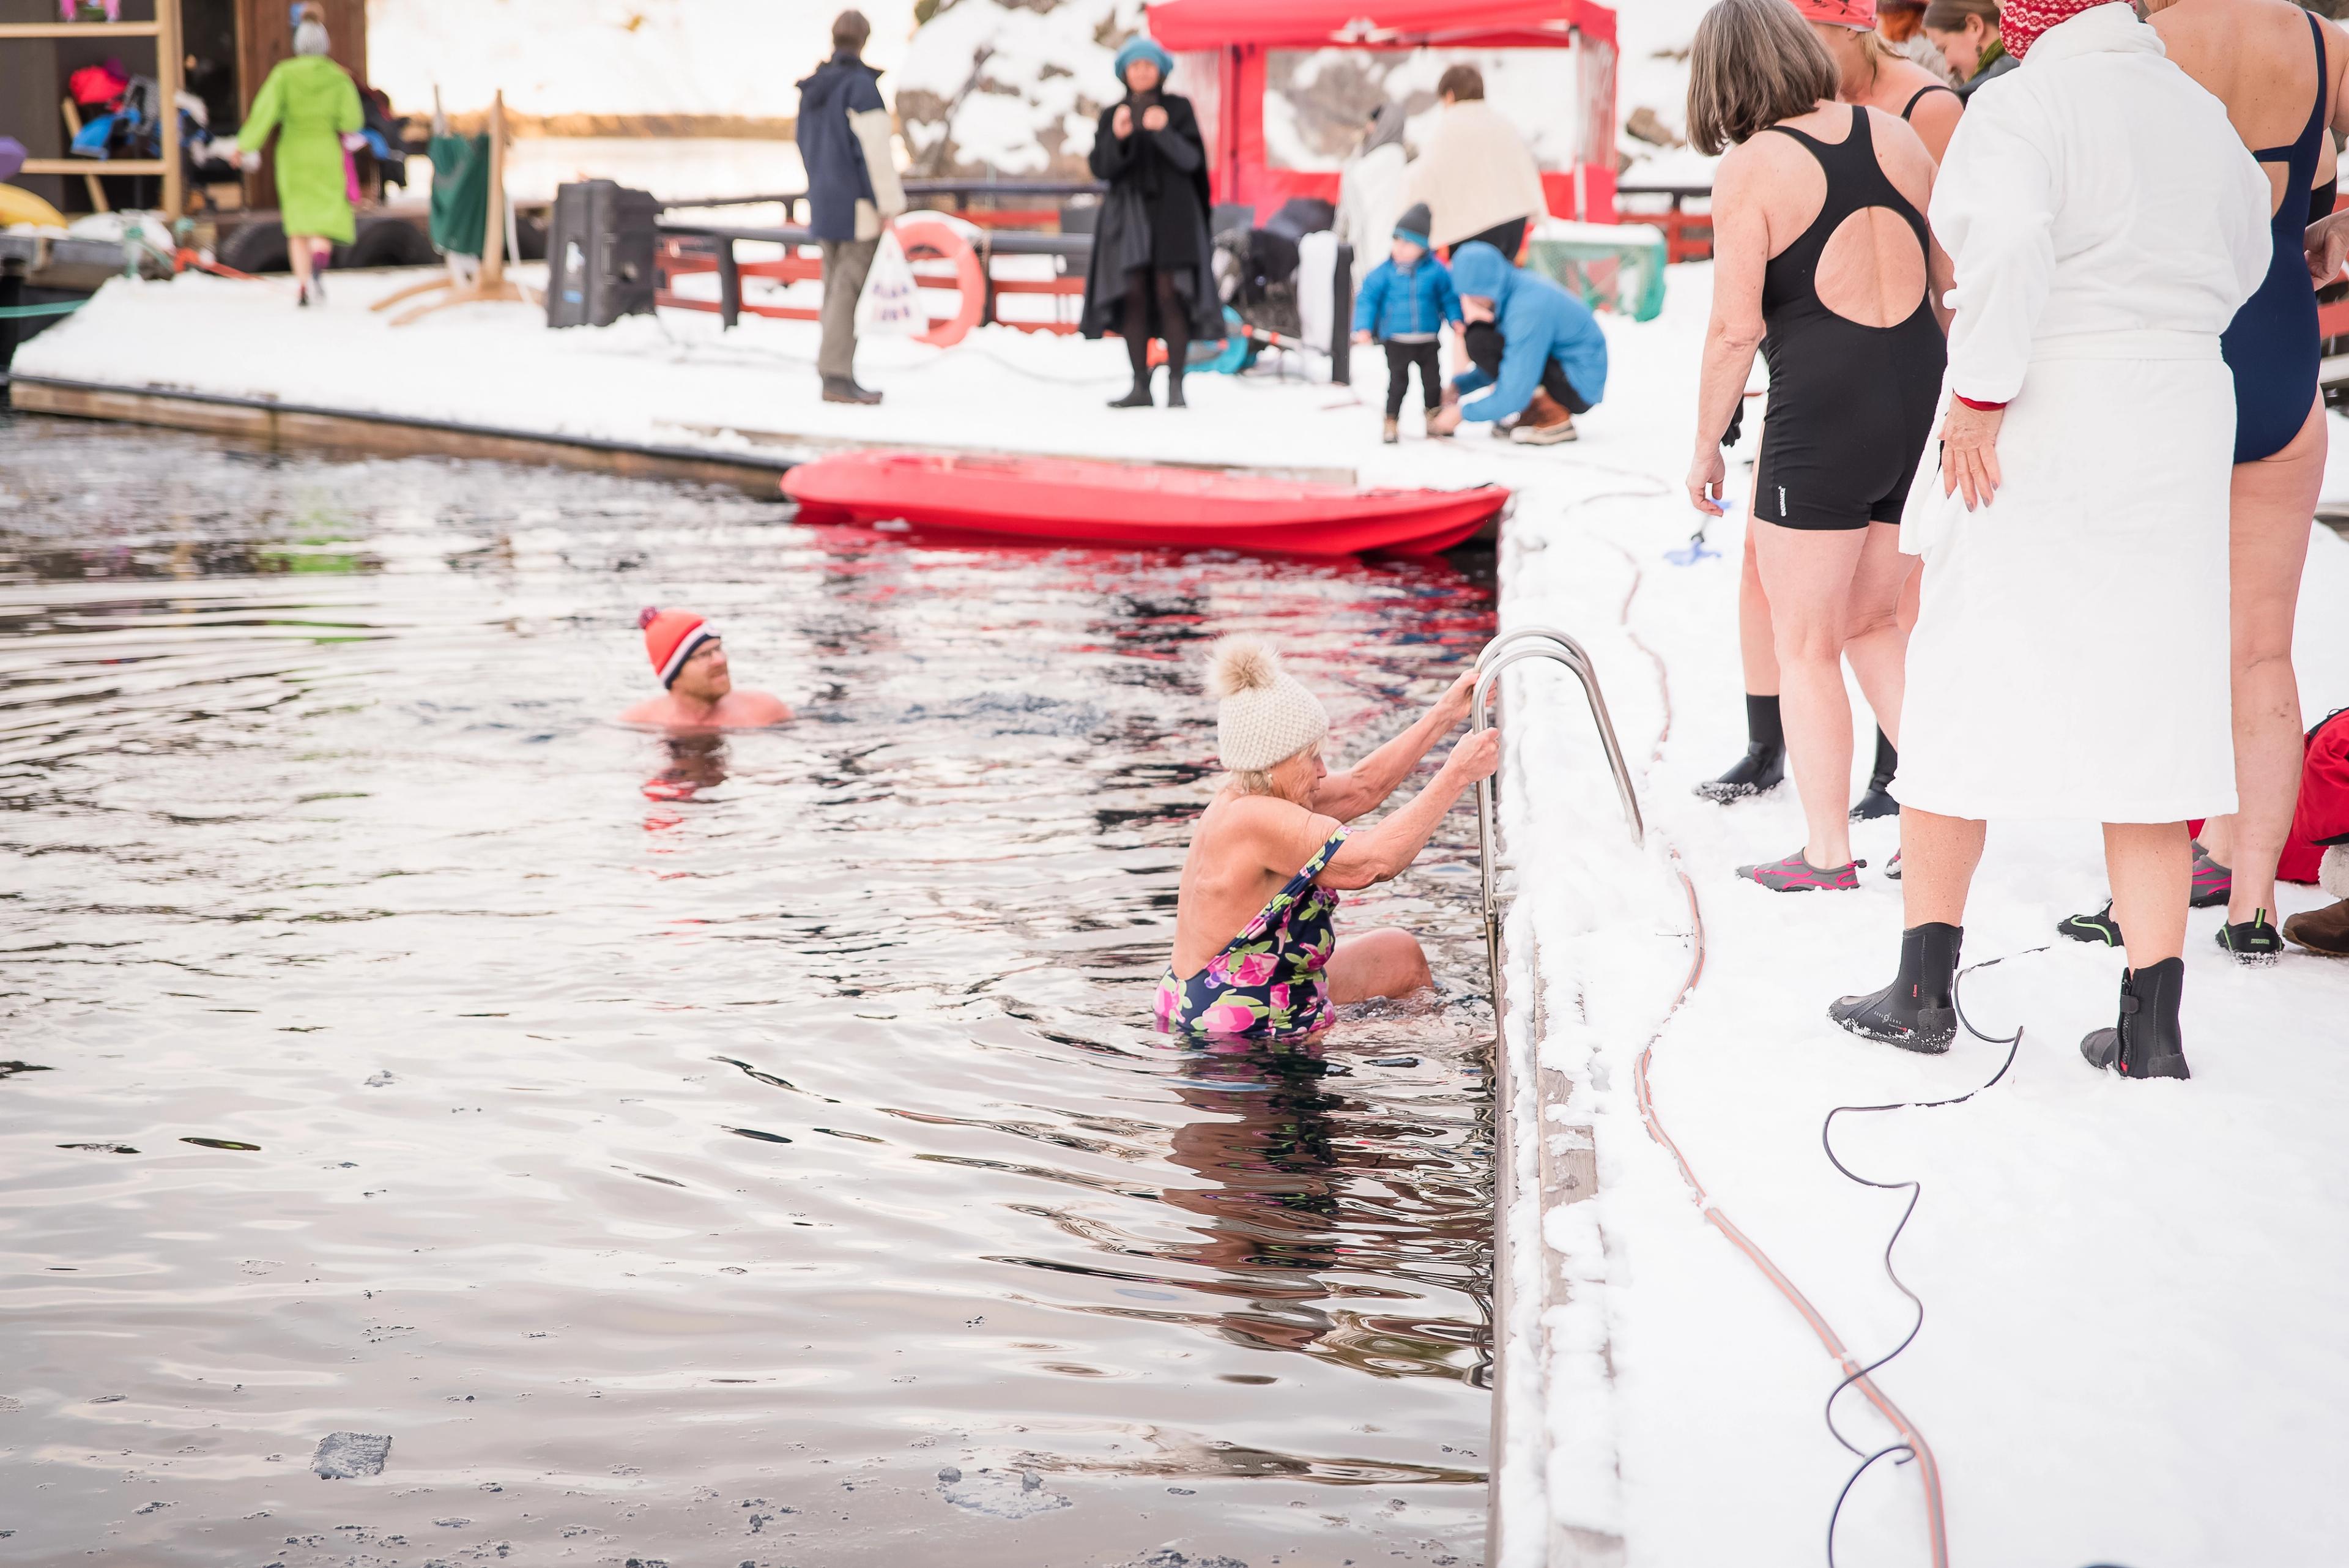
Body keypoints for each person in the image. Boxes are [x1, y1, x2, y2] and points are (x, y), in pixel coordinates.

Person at [1828, 0, 2269, 1078]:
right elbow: (2253, 251)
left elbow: (2013, 243)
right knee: (2153, 706)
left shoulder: (2026, 104)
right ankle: (2152, 1027)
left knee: (1961, 677)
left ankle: (1924, 985)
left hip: (2050, 400)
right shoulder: (2199, 111)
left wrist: (1978, 394)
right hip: (2175, 408)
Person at [1683, 0, 1948, 890]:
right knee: (1875, 622)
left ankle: (1827, 851)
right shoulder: (1896, 136)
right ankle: (1944, 812)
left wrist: (1707, 442)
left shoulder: (1752, 167)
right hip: (1916, 395)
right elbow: (1950, 284)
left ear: (1723, 78)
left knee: (1805, 642)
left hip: (1822, 415)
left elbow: (1733, 329)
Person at [2139, 0, 2343, 961]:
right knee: (2261, 650)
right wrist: (2335, 220)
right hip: (2281, 348)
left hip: (2178, 351)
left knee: (2151, 632)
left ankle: (2137, 891)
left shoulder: (2157, 43)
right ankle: (2251, 900)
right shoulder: (2319, 41)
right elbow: (2312, 199)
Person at [1155, 638, 1499, 1038]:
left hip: (1228, 993)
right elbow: (1374, 862)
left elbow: (1362, 787)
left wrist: (1446, 712)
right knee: (1438, 1035)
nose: (1322, 770)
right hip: (1230, 1028)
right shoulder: (1256, 820)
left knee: (1398, 955)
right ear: (1273, 764)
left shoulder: (1254, 792)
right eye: (1311, 756)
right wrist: (1458, 772)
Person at [1081, 37, 1222, 410]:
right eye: (1135, 66)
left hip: (1173, 217)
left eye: (1148, 65)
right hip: (1127, 220)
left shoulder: (1178, 108)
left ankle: (1177, 385)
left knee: (1171, 294)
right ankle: (1140, 385)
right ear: (1124, 72)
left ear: (1161, 69)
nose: (1142, 72)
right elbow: (1102, 168)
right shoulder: (1114, 114)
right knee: (1133, 297)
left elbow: (1193, 162)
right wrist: (1119, 137)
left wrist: (1165, 133)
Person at [796, 10, 906, 406]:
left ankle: (832, 370)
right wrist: (890, 206)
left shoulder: (813, 88)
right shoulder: (861, 88)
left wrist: (820, 187)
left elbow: (804, 145)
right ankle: (837, 377)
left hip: (824, 202)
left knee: (833, 288)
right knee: (847, 290)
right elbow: (877, 154)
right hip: (858, 207)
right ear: (864, 40)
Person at [236, 4, 362, 309]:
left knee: (299, 225)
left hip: (293, 153)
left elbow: (263, 114)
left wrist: (245, 146)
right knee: (322, 219)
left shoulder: (283, 75)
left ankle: (303, 285)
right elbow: (352, 121)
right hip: (325, 152)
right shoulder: (338, 77)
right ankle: (320, 264)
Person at [1426, 240, 1607, 445]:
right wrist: (1461, 387)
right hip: (1565, 368)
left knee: (1481, 341)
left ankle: (1554, 418)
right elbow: (1510, 356)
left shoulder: (1526, 310)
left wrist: (1461, 414)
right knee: (1481, 339)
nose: (1468, 300)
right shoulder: (1514, 288)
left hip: (1578, 384)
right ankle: (1537, 410)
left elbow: (1515, 391)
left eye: (1469, 293)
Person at [1403, 64, 1548, 265]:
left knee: (1472, 288)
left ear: (1450, 95)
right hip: (1514, 224)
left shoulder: (1450, 126)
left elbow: (1425, 176)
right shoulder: (1504, 124)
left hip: (1470, 230)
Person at [1792, 0, 1964, 160]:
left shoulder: (1931, 105)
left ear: (1849, 27)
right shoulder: (1812, 97)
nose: (1796, 49)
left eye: (1805, 33)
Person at [1351, 203, 1463, 444]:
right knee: (1398, 383)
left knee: (1432, 382)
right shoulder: (1384, 273)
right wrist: (1363, 327)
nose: (1399, 248)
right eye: (1396, 241)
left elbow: (1449, 297)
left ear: (1422, 247)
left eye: (1407, 243)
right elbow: (1368, 299)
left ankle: (1435, 419)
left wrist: (1456, 319)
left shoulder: (1436, 272)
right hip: (1396, 341)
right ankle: (1391, 421)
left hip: (1427, 340)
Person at [618, 608, 793, 730]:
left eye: (718, 649)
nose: (720, 660)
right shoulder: (639, 724)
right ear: (674, 674)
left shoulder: (767, 712)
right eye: (704, 655)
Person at [1336, 102, 1412, 275]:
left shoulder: (1389, 157)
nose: (1369, 128)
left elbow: (1351, 185)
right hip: (1392, 243)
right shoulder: (1396, 156)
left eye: (1373, 123)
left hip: (1374, 240)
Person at [1922, 0, 2021, 98]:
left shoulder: (1977, 99)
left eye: (1944, 49)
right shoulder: (2030, 63)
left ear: (1975, 26)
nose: (1949, 68)